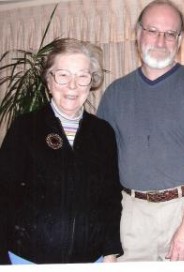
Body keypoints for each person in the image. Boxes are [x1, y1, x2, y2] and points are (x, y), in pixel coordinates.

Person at [97, 0, 184, 261]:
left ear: (179, 40)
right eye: (153, 30)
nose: (161, 41)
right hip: (130, 214)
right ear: (138, 34)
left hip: (182, 210)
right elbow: (102, 168)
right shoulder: (115, 93)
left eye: (170, 34)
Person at [0, 38, 123, 264]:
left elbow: (110, 199)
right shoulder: (25, 128)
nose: (72, 85)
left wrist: (110, 252)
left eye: (82, 76)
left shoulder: (103, 133)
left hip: (90, 260)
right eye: (63, 75)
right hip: (26, 259)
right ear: (49, 81)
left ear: (91, 82)